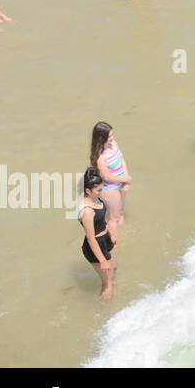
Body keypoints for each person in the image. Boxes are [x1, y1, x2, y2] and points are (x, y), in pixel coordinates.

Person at [78, 167, 117, 301]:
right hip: (95, 246)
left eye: (102, 188)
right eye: (99, 190)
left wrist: (111, 234)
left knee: (114, 268)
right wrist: (102, 260)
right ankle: (107, 310)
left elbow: (102, 221)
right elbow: (90, 238)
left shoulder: (96, 199)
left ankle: (111, 297)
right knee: (107, 282)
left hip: (105, 239)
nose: (102, 192)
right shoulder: (87, 211)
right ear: (88, 191)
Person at [90, 121, 131, 239]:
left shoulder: (113, 144)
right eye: (109, 136)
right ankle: (111, 242)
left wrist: (126, 181)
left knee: (120, 213)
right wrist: (125, 179)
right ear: (101, 138)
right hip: (109, 189)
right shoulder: (99, 157)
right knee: (114, 218)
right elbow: (106, 177)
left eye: (112, 135)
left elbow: (121, 159)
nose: (112, 138)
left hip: (121, 183)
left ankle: (122, 233)